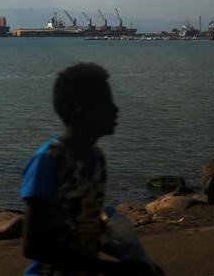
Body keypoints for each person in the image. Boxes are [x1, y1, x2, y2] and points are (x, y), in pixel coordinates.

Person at [20, 63, 161, 275]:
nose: (116, 109)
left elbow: (90, 226)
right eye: (106, 103)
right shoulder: (48, 161)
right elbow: (33, 247)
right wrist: (111, 269)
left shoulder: (96, 159)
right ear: (81, 112)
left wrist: (138, 265)